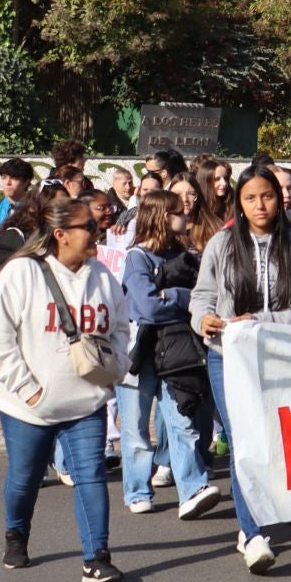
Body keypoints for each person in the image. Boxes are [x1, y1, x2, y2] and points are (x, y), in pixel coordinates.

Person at [0, 195, 129, 582]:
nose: (97, 231)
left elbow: (121, 327)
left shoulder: (101, 276)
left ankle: (96, 557)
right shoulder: (21, 274)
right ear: (61, 235)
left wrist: (118, 367)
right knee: (24, 479)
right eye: (89, 227)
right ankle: (16, 533)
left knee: (91, 477)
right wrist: (28, 391)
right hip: (29, 408)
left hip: (87, 403)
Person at [191, 166, 291, 574]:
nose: (260, 205)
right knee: (242, 439)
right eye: (250, 198)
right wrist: (204, 320)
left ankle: (263, 514)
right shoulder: (221, 244)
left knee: (271, 441)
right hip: (226, 358)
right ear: (239, 203)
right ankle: (253, 532)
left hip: (280, 358)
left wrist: (261, 321)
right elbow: (202, 296)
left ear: (279, 199)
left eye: (266, 196)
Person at [118, 191, 220, 520]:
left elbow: (205, 296)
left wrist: (171, 295)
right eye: (178, 211)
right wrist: (182, 298)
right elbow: (147, 308)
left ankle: (192, 488)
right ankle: (137, 490)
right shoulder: (137, 258)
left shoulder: (186, 253)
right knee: (135, 424)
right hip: (140, 350)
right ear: (163, 216)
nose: (187, 214)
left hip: (176, 350)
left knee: (182, 420)